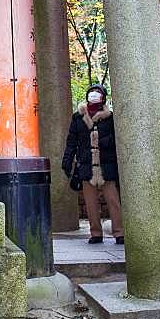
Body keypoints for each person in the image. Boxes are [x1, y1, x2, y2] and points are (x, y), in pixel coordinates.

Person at [62, 84, 124, 245]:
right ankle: (95, 233)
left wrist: (105, 141)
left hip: (106, 163)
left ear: (103, 97)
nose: (94, 95)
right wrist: (67, 160)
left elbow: (118, 139)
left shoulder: (110, 118)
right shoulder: (77, 117)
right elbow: (71, 141)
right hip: (86, 164)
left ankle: (119, 232)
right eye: (92, 93)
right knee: (90, 202)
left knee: (113, 199)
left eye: (97, 93)